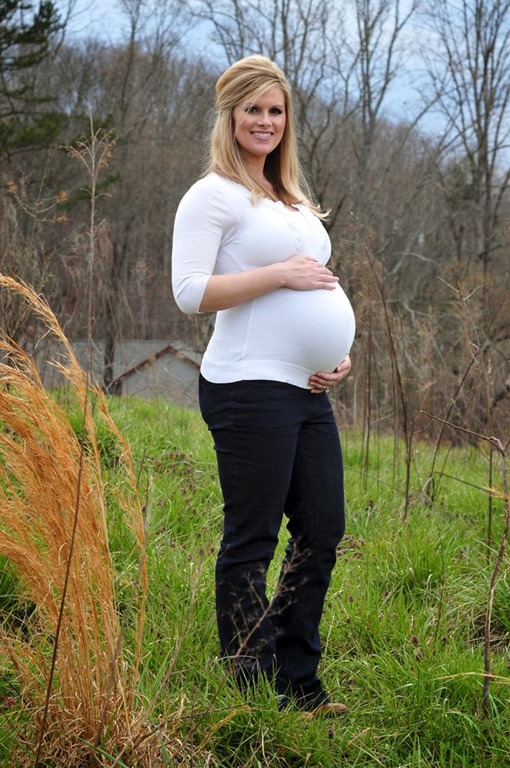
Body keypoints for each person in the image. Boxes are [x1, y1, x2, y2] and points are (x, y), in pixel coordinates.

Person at [172, 55, 355, 716]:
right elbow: (190, 292)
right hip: (248, 386)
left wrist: (339, 355)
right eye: (253, 109)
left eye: (276, 111)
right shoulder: (212, 195)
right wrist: (280, 275)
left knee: (322, 528)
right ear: (230, 115)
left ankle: (297, 678)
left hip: (308, 391)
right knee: (252, 539)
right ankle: (250, 687)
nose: (266, 121)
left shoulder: (292, 199)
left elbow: (317, 287)